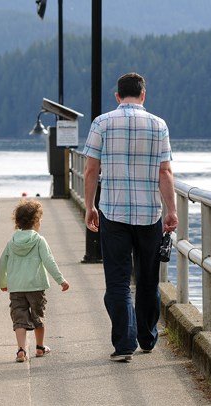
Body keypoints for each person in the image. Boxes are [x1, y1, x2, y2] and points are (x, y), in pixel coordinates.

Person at [83, 72, 178, 362]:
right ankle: (147, 338)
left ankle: (124, 344)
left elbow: (90, 169)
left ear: (117, 96)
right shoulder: (158, 125)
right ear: (143, 95)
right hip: (150, 214)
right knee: (148, 279)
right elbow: (165, 172)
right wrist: (171, 209)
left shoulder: (102, 122)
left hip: (113, 211)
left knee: (118, 281)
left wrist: (90, 206)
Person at [0, 199, 70, 362]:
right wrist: (61, 280)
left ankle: (21, 350)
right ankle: (39, 347)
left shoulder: (12, 242)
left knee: (19, 317)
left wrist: (3, 282)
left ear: (17, 222)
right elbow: (49, 261)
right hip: (36, 286)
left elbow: (2, 264)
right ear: (36, 221)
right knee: (38, 315)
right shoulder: (39, 240)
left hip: (16, 287)